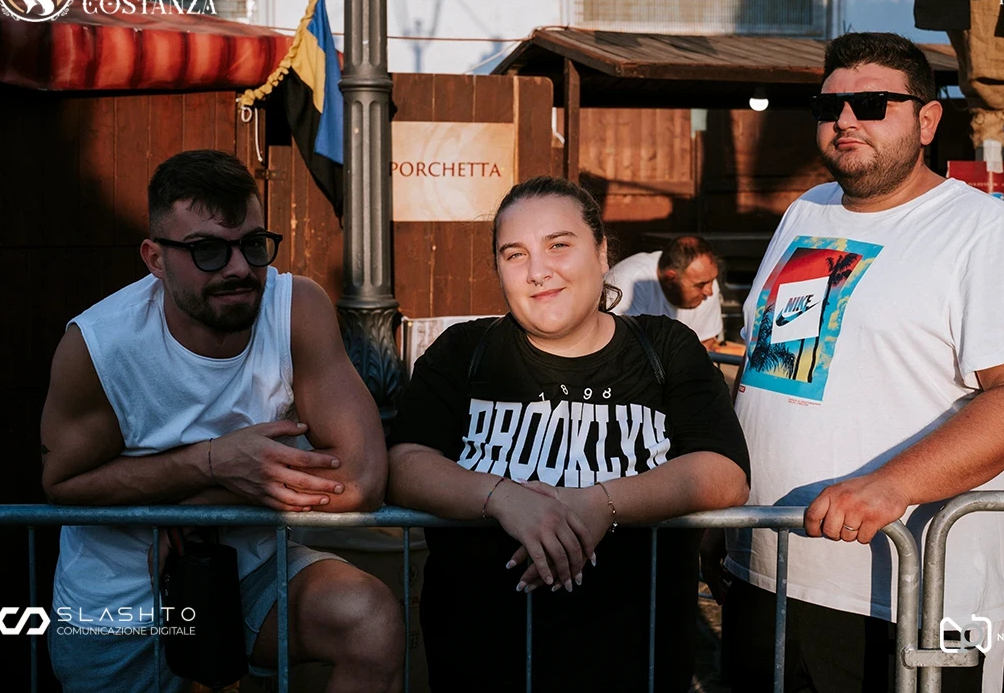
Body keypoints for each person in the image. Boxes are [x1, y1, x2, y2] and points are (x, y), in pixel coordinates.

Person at [701, 33, 1004, 693]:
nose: (846, 121)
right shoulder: (806, 210)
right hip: (770, 566)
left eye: (874, 104)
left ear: (928, 120)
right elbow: (771, 365)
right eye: (830, 107)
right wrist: (727, 500)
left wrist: (891, 485)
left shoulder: (984, 232)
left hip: (909, 593)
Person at [40, 150, 402, 693]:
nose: (238, 268)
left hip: (249, 572)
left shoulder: (294, 307)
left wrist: (204, 497)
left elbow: (362, 479)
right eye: (207, 250)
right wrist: (213, 461)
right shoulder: (99, 345)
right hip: (120, 602)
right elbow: (63, 484)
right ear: (155, 258)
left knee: (369, 621)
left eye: (252, 245)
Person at [386, 176, 751, 693]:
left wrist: (599, 503)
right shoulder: (464, 351)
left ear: (602, 253)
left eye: (559, 245)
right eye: (515, 254)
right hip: (480, 662)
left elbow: (725, 472)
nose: (538, 271)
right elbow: (404, 463)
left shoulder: (666, 348)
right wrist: (503, 498)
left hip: (633, 664)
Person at [605, 235, 724, 350]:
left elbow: (706, 343)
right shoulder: (627, 283)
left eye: (712, 280)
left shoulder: (704, 279)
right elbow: (618, 349)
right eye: (700, 285)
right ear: (670, 279)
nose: (710, 292)